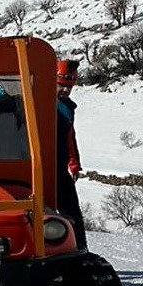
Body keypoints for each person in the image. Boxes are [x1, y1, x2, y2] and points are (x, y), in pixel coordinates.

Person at [55, 58, 87, 249]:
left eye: (70, 87)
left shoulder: (67, 108)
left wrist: (74, 163)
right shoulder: (32, 99)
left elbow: (69, 137)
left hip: (58, 168)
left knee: (72, 214)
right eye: (61, 85)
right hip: (30, 167)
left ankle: (80, 251)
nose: (66, 90)